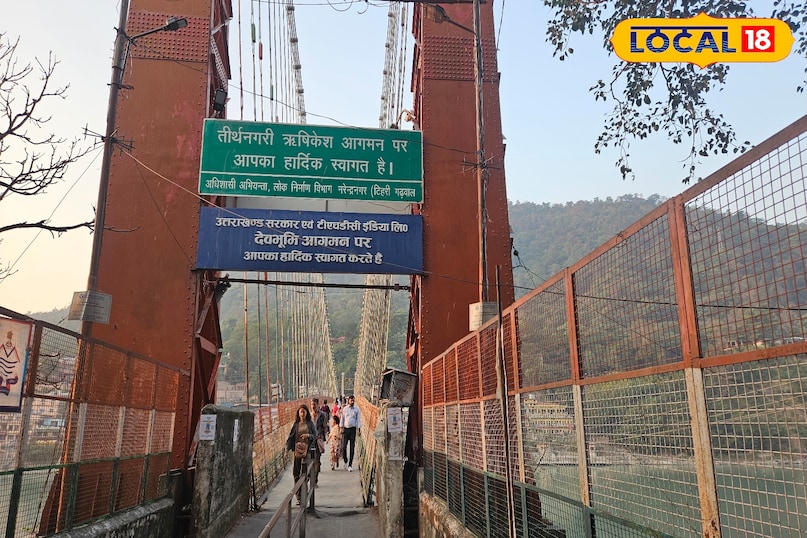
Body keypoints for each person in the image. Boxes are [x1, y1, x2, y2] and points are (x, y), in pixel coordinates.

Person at [285, 404, 316, 503]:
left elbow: (315, 435)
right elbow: (291, 438)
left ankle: (304, 495)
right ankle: (298, 496)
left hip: (306, 452)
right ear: (298, 413)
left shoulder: (310, 424)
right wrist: (287, 450)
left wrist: (308, 435)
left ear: (307, 413)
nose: (302, 413)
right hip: (297, 452)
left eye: (304, 411)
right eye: (301, 411)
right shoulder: (296, 425)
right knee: (296, 473)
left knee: (304, 473)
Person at [340, 394, 362, 472]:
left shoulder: (356, 409)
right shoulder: (345, 409)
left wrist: (359, 429)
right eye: (351, 400)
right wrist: (341, 428)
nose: (352, 402)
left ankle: (350, 464)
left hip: (353, 430)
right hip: (346, 430)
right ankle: (345, 460)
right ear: (348, 401)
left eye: (353, 400)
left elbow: (358, 419)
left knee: (352, 448)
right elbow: (342, 418)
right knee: (343, 447)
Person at [311, 398, 328, 484]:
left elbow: (325, 427)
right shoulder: (309, 416)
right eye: (312, 405)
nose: (313, 406)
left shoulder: (322, 415)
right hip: (310, 441)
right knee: (311, 460)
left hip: (318, 439)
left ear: (318, 405)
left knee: (317, 459)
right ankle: (312, 474)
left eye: (314, 404)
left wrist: (322, 435)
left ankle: (315, 480)